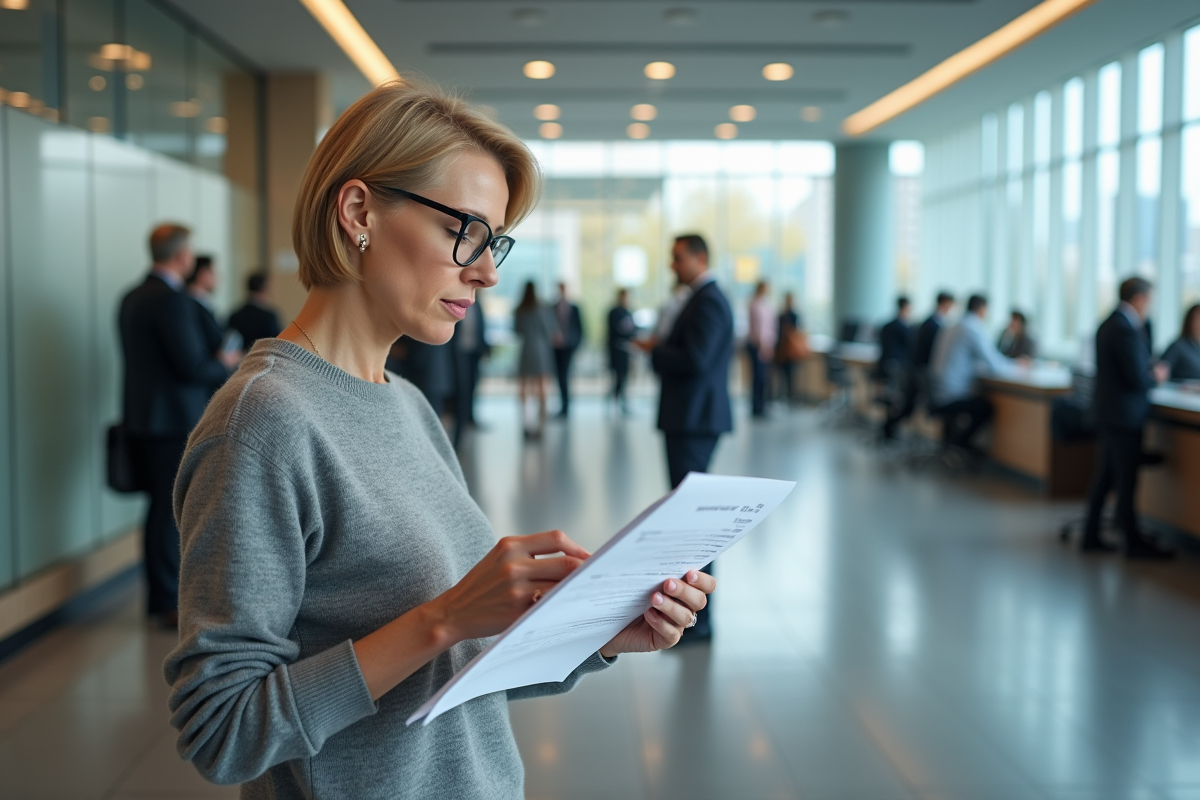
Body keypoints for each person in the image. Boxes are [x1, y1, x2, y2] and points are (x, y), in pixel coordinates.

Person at [164, 83, 715, 798]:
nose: (486, 271)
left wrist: (598, 633)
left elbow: (449, 675)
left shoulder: (409, 404)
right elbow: (222, 730)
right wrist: (443, 617)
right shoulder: (265, 423)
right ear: (359, 210)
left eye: (496, 243)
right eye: (467, 231)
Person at [118, 225, 237, 626]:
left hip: (143, 417)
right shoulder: (171, 302)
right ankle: (168, 600)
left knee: (158, 509)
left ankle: (159, 597)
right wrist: (224, 363)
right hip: (172, 420)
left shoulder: (132, 297)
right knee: (170, 511)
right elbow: (193, 365)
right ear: (182, 256)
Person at [645, 233, 733, 642]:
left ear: (700, 257)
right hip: (689, 418)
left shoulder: (709, 301)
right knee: (689, 516)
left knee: (695, 523)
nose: (673, 265)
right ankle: (697, 616)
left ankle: (701, 621)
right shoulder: (702, 299)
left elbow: (695, 360)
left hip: (695, 420)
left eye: (678, 258)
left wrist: (656, 349)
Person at [1081, 277, 1172, 558]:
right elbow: (1137, 378)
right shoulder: (1124, 328)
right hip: (1123, 417)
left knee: (1107, 476)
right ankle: (1132, 543)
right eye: (1149, 301)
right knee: (1125, 480)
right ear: (1140, 298)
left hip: (1111, 414)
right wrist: (1156, 376)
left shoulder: (1110, 323)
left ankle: (1091, 535)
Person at [929, 294, 1016, 454]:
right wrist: (1017, 365)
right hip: (951, 394)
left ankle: (952, 443)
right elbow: (995, 364)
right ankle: (960, 444)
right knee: (985, 408)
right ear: (982, 309)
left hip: (936, 391)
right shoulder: (972, 327)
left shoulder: (952, 325)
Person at [514, 280, 556, 439]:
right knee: (542, 388)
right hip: (541, 350)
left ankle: (527, 421)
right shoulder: (542, 308)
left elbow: (517, 330)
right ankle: (540, 424)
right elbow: (550, 329)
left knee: (524, 387)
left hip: (526, 349)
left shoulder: (520, 308)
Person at [450, 293, 490, 445]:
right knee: (463, 388)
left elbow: (481, 326)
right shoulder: (455, 303)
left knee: (473, 384)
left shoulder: (477, 304)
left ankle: (470, 416)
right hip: (460, 352)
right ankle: (461, 420)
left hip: (475, 352)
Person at [877, 296, 915, 440]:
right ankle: (889, 429)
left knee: (889, 401)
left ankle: (887, 429)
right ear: (905, 308)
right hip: (898, 370)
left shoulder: (886, 326)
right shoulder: (904, 328)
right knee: (899, 401)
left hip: (884, 370)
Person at [551, 282, 584, 418]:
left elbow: (580, 327)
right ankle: (563, 404)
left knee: (565, 375)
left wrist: (576, 345)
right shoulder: (553, 307)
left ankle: (566, 406)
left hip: (569, 346)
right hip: (556, 347)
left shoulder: (574, 308)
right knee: (559, 376)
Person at [227, 271, 282, 350]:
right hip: (264, 360)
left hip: (240, 361)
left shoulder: (234, 316)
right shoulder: (269, 317)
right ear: (265, 289)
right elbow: (277, 343)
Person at [747, 280, 776, 418]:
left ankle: (763, 405)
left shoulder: (765, 304)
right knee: (758, 377)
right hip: (757, 345)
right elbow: (758, 328)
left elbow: (770, 326)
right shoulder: (754, 304)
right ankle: (756, 406)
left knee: (764, 378)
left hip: (766, 345)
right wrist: (762, 345)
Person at [186, 255, 225, 356]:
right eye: (213, 272)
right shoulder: (190, 305)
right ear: (202, 274)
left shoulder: (205, 303)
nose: (217, 277)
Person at [607, 288, 636, 415]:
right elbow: (615, 330)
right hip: (616, 350)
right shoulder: (613, 313)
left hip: (626, 350)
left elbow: (632, 331)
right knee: (618, 377)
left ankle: (620, 401)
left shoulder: (628, 312)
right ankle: (614, 400)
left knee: (624, 377)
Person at [774, 291, 803, 405]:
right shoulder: (781, 315)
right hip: (782, 350)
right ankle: (783, 397)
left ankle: (790, 397)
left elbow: (797, 332)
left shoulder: (794, 315)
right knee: (782, 375)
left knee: (791, 376)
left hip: (791, 350)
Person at [914, 291, 956, 369]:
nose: (951, 309)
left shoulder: (936, 322)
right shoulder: (931, 325)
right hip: (926, 367)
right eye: (950, 305)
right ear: (944, 303)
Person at [1161, 303, 1200, 381]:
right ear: (1190, 321)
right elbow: (1160, 373)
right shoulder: (1177, 347)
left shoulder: (1197, 347)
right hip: (1180, 391)